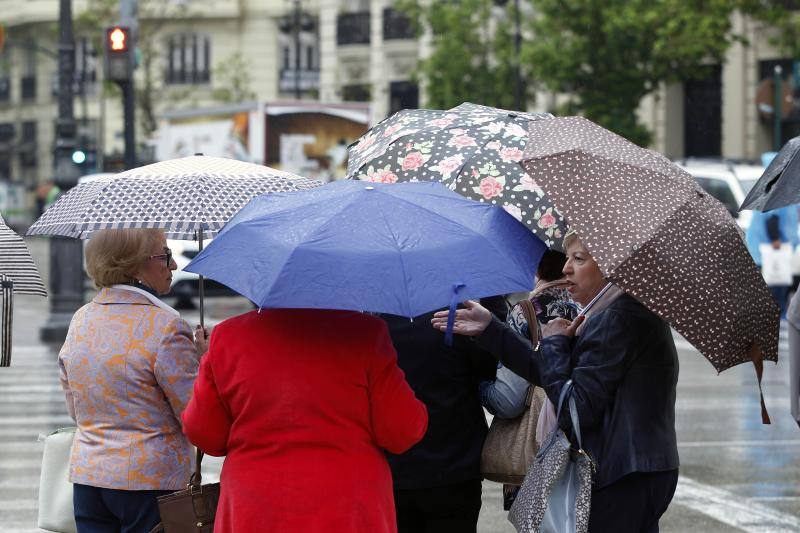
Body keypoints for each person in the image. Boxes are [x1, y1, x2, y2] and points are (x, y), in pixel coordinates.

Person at [432, 231, 680, 532]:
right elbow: (551, 376)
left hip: (623, 475)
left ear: (611, 266)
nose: (565, 268)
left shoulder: (617, 319)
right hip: (636, 469)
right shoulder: (614, 312)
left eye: (579, 259)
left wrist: (555, 344)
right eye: (567, 258)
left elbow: (573, 408)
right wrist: (490, 329)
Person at [181, 308, 428, 533]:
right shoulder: (366, 332)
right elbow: (403, 430)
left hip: (257, 506)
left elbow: (204, 433)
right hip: (349, 505)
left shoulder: (228, 335)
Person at [58, 228, 208, 532]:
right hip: (151, 483)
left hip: (90, 479)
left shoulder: (82, 318)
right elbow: (194, 415)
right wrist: (204, 361)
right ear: (133, 264)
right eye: (165, 256)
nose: (174, 266)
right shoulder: (166, 325)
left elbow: (75, 406)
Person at [382, 296, 507, 533]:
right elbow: (488, 370)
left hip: (396, 464)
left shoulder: (378, 323)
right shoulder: (457, 316)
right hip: (454, 464)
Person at [479, 250, 578, 510]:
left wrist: (477, 386)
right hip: (585, 452)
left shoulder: (527, 312)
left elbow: (508, 401)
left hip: (536, 457)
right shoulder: (593, 307)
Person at [745, 206, 799, 319]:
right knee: (775, 291)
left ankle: (771, 318)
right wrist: (775, 239)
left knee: (773, 291)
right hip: (769, 253)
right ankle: (773, 319)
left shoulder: (782, 197)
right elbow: (771, 219)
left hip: (767, 252)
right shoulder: (781, 197)